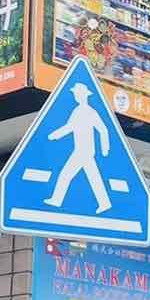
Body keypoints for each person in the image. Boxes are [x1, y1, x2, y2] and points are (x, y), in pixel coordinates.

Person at [44, 83, 112, 213]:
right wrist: (55, 135)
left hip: (84, 151)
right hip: (83, 150)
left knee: (66, 175)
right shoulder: (78, 110)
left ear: (83, 95)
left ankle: (56, 200)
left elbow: (103, 129)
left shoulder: (89, 111)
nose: (75, 96)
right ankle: (105, 203)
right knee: (93, 177)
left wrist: (105, 148)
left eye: (77, 93)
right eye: (75, 93)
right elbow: (70, 127)